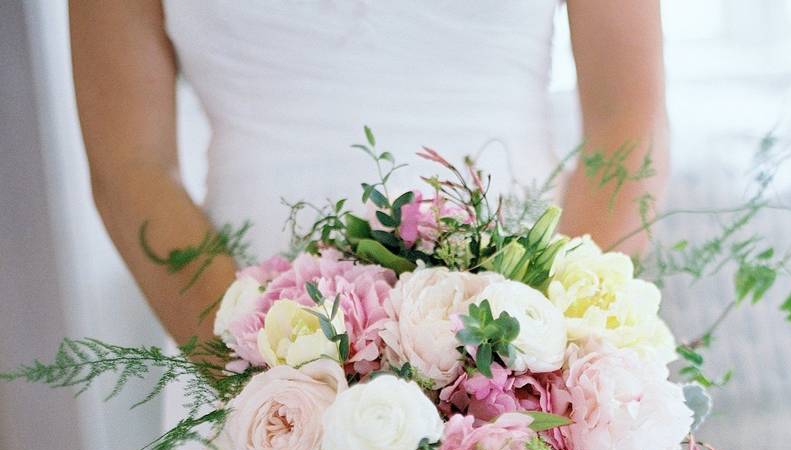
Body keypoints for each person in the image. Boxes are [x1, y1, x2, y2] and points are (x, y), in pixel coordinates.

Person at [70, 0, 668, 348]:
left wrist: (551, 349)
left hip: (529, 314)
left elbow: (626, 121)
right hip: (249, 328)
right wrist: (251, 365)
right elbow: (131, 165)